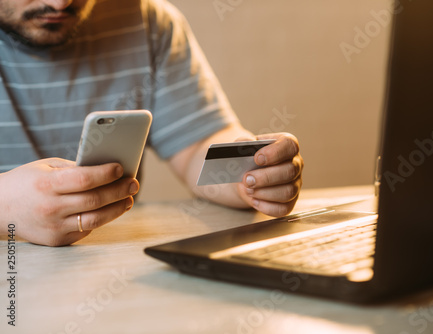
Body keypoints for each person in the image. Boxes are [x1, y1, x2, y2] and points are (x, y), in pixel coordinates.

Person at [0, 0, 303, 246]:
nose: (60, 3)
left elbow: (197, 146)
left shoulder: (149, 22)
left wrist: (248, 176)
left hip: (104, 267)